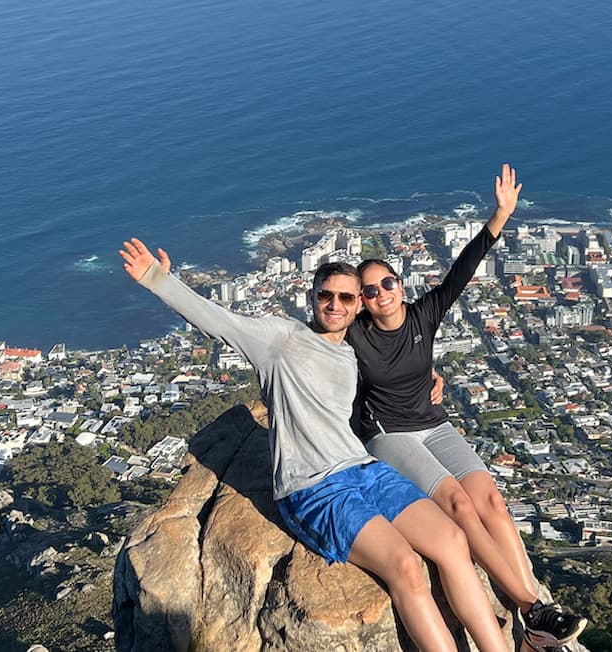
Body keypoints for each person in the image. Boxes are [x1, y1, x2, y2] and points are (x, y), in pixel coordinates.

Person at [119, 238, 509, 651]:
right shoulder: (281, 341)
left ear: (360, 304)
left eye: (346, 297)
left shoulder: (352, 354)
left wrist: (430, 379)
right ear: (312, 297)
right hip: (314, 488)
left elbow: (391, 377)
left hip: (366, 470)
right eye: (326, 295)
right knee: (406, 567)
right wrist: (158, 280)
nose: (335, 304)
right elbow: (219, 321)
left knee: (452, 541)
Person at [347, 164, 587, 651]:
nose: (381, 294)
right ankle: (530, 608)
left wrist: (500, 216)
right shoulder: (353, 337)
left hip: (434, 425)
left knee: (492, 502)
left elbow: (463, 268)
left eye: (386, 283)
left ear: (400, 284)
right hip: (389, 436)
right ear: (361, 303)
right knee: (458, 504)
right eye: (368, 291)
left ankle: (535, 628)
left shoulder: (424, 315)